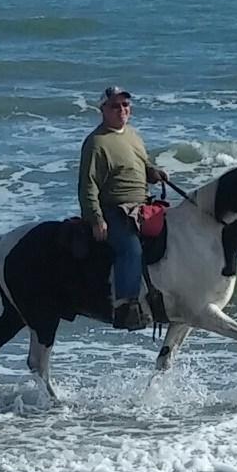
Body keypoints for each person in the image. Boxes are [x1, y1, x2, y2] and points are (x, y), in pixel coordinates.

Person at [78, 85, 168, 329]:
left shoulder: (132, 135)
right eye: (115, 106)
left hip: (141, 207)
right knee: (131, 250)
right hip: (114, 210)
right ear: (103, 110)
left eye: (125, 105)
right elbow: (88, 185)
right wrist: (96, 219)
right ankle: (125, 307)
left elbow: (142, 164)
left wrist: (153, 173)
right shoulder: (96, 143)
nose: (121, 110)